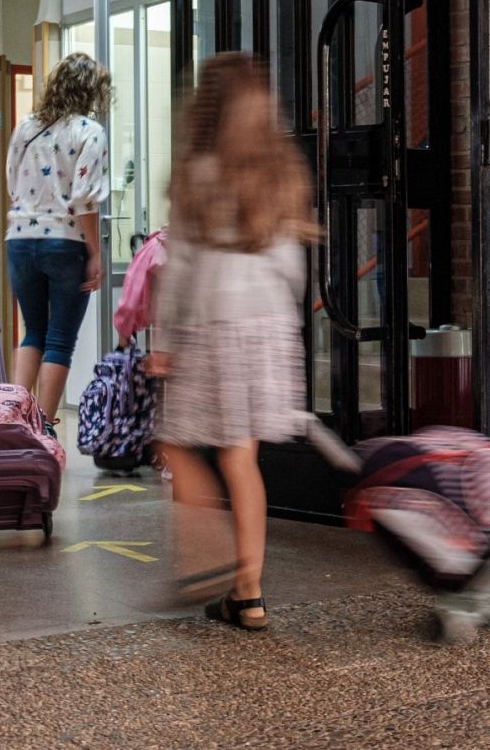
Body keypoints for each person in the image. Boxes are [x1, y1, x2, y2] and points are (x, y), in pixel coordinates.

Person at [150, 54, 317, 631]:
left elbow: (181, 268)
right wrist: (283, 326)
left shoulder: (198, 170)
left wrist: (163, 339)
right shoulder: (283, 171)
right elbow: (294, 266)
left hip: (211, 324)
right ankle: (249, 593)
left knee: (172, 442)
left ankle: (206, 558)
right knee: (241, 458)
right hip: (269, 330)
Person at [4, 52, 111, 425]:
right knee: (60, 338)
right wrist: (95, 252)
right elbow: (84, 199)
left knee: (32, 331)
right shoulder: (89, 131)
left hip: (19, 238)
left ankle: (16, 420)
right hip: (65, 243)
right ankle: (42, 425)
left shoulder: (25, 127)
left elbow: (11, 182)